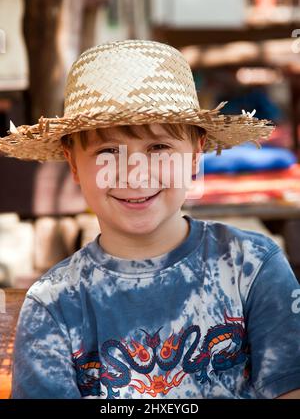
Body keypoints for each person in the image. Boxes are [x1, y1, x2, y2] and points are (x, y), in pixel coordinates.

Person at [1, 40, 299, 399]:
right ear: (73, 163)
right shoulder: (54, 305)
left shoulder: (252, 268)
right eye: (108, 151)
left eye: (159, 148)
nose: (135, 174)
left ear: (194, 155)